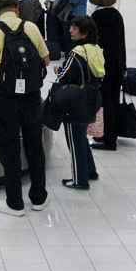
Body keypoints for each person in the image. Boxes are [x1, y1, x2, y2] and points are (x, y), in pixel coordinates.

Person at [0, 0, 49, 215]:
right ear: (16, 9)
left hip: (6, 97)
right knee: (34, 146)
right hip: (32, 95)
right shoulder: (32, 27)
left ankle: (15, 203)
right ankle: (38, 198)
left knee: (9, 149)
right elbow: (45, 59)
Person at [57, 16, 103, 189]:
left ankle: (79, 179)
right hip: (93, 96)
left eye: (74, 28)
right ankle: (90, 171)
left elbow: (64, 75)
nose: (70, 30)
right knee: (81, 136)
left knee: (74, 139)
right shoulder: (95, 48)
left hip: (77, 101)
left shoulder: (78, 53)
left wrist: (59, 69)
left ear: (84, 32)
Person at [88, 0, 125, 151]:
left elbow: (94, 44)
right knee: (114, 100)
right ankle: (111, 135)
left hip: (104, 66)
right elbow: (121, 43)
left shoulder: (97, 17)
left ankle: (109, 140)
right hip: (117, 63)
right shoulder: (116, 14)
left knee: (105, 103)